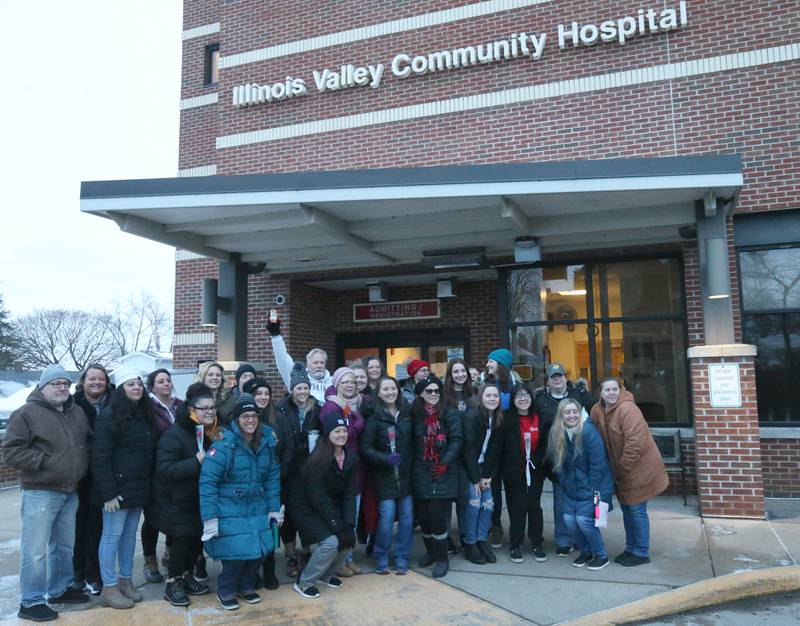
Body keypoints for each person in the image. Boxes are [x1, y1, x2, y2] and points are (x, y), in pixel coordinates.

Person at [2, 364, 92, 622]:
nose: (62, 387)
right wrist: (47, 462)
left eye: (65, 383)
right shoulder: (26, 413)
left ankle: (59, 590)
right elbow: (11, 452)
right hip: (41, 492)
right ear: (43, 387)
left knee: (63, 547)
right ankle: (30, 602)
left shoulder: (76, 412)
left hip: (70, 491)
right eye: (56, 384)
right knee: (35, 550)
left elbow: (86, 442)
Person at [199, 394, 282, 611]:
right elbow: (207, 483)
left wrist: (274, 509)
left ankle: (246, 586)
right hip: (229, 508)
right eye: (245, 416)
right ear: (237, 419)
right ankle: (226, 590)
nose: (250, 420)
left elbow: (272, 479)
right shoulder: (224, 445)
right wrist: (210, 518)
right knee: (237, 552)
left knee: (261, 550)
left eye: (254, 415)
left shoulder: (266, 443)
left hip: (257, 506)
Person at [92, 366, 157, 610]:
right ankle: (109, 587)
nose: (137, 388)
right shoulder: (109, 416)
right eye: (131, 384)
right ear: (121, 389)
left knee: (129, 537)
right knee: (111, 536)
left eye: (139, 384)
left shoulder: (143, 414)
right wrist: (108, 492)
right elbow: (100, 456)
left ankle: (125, 581)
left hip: (137, 488)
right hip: (116, 491)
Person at [150, 383, 221, 607]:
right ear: (192, 409)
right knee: (181, 542)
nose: (209, 412)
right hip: (175, 500)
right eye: (204, 409)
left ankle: (187, 576)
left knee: (195, 541)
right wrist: (195, 462)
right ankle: (173, 583)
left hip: (198, 498)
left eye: (212, 408)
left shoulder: (207, 432)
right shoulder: (175, 434)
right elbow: (165, 469)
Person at [591, 377, 668, 567]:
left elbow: (635, 443)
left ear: (621, 389)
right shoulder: (597, 411)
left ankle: (641, 552)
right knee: (627, 509)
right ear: (600, 393)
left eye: (615, 389)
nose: (611, 393)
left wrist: (622, 468)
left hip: (638, 468)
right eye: (607, 390)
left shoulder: (628, 409)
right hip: (620, 471)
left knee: (636, 509)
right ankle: (631, 548)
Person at [289, 407, 358, 598]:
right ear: (328, 434)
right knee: (331, 542)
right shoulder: (318, 458)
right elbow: (317, 496)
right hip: (306, 507)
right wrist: (336, 525)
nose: (342, 434)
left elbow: (349, 494)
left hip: (327, 505)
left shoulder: (350, 458)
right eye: (337, 431)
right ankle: (304, 582)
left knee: (349, 539)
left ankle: (325, 575)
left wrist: (349, 524)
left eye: (344, 430)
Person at [533, 362, 594, 557]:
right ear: (548, 381)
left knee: (580, 501)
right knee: (561, 502)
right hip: (555, 460)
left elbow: (595, 413)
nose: (557, 379)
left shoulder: (579, 394)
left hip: (579, 457)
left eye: (560, 375)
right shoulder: (540, 400)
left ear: (566, 378)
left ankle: (580, 538)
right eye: (553, 376)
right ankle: (563, 540)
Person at [548, 398, 614, 571]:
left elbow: (598, 465)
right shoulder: (558, 433)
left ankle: (601, 554)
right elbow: (559, 465)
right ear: (561, 415)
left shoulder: (589, 432)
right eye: (567, 412)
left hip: (594, 487)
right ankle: (586, 551)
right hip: (572, 488)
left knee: (584, 520)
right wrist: (565, 483)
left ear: (580, 412)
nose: (571, 415)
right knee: (569, 520)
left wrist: (590, 488)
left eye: (574, 411)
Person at [491, 383, 551, 564]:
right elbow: (498, 448)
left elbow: (545, 446)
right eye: (518, 396)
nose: (523, 399)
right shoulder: (507, 419)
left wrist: (535, 461)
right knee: (516, 509)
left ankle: (537, 543)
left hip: (535, 470)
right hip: (513, 472)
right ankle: (515, 545)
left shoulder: (541, 418)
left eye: (526, 395)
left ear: (531, 397)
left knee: (534, 507)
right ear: (513, 400)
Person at [271, 363, 321, 578]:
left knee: (308, 511)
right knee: (288, 513)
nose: (302, 392)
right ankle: (291, 555)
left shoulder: (317, 407)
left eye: (305, 388)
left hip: (310, 467)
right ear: (292, 389)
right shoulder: (281, 407)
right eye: (298, 388)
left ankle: (307, 551)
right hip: (288, 467)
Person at [411, 374, 463, 578]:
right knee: (423, 518)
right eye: (428, 391)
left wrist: (445, 461)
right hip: (420, 471)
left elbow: (457, 439)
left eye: (436, 391)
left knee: (437, 518)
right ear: (421, 394)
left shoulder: (449, 413)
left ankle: (442, 558)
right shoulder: (414, 414)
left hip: (443, 472)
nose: (433, 394)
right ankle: (430, 552)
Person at [360, 376, 413, 575]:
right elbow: (365, 448)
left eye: (393, 388)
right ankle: (381, 553)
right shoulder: (374, 417)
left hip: (406, 475)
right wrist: (384, 459)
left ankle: (401, 555)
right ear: (379, 393)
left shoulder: (407, 413)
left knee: (407, 516)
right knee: (387, 515)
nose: (390, 392)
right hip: (384, 476)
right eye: (385, 389)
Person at [71, 363, 113, 596]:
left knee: (99, 528)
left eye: (101, 379)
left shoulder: (116, 403)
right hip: (81, 475)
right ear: (83, 381)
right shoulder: (73, 405)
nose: (97, 383)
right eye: (92, 379)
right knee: (79, 527)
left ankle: (95, 574)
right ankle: (77, 574)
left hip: (106, 474)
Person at [319, 367, 365, 576]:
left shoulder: (354, 404)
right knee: (339, 517)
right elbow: (350, 431)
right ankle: (338, 561)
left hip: (353, 467)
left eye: (353, 382)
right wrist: (357, 419)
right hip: (335, 468)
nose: (350, 385)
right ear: (336, 384)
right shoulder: (331, 407)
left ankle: (347, 558)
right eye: (345, 382)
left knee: (351, 517)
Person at [140, 368, 184, 584]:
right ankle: (150, 560)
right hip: (154, 469)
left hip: (178, 470)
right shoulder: (147, 407)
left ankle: (170, 553)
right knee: (152, 518)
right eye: (160, 381)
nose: (166, 384)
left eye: (168, 380)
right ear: (152, 386)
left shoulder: (180, 405)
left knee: (174, 514)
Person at [242, 376, 279, 589]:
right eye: (258, 394)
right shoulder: (242, 417)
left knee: (272, 524)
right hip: (250, 481)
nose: (263, 397)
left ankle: (270, 568)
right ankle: (252, 569)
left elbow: (287, 447)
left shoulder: (277, 416)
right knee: (253, 526)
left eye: (266, 393)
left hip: (272, 479)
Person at [482, 348, 521, 549]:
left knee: (513, 488)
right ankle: (495, 526)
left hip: (512, 446)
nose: (487, 364)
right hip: (492, 444)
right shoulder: (485, 385)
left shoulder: (516, 386)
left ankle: (517, 530)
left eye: (491, 361)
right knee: (493, 489)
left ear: (501, 364)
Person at [459, 384, 501, 565]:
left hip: (484, 469)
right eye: (488, 395)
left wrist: (487, 476)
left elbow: (495, 450)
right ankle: (470, 543)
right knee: (474, 503)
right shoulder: (472, 416)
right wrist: (476, 479)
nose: (492, 399)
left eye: (495, 396)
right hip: (468, 468)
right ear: (481, 397)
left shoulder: (498, 418)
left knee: (488, 504)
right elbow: (467, 450)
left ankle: (481, 540)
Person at [266, 317, 331, 403]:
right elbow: (283, 360)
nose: (319, 365)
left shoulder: (334, 382)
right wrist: (275, 336)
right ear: (307, 365)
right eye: (315, 362)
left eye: (322, 362)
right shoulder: (297, 378)